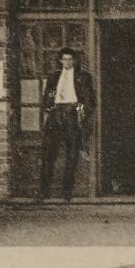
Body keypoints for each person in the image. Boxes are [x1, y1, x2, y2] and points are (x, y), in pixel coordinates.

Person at [39, 47, 95, 203]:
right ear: (60, 61)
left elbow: (90, 100)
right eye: (64, 59)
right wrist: (49, 108)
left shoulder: (83, 77)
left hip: (72, 114)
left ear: (75, 60)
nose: (68, 62)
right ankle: (44, 191)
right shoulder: (54, 76)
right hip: (56, 114)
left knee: (72, 154)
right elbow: (47, 96)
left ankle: (67, 192)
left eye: (70, 59)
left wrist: (81, 108)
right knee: (49, 153)